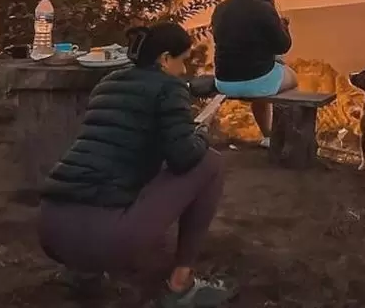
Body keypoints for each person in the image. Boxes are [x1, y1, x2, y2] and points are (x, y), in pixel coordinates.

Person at [38, 23, 230, 307]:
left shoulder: (107, 83)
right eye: (183, 61)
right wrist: (200, 135)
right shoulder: (169, 87)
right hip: (107, 240)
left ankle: (82, 273)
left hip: (50, 229)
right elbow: (183, 157)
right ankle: (180, 285)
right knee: (211, 163)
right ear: (165, 59)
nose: (185, 71)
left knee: (115, 168)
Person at [211, 0, 298, 145]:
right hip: (256, 81)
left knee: (265, 75)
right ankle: (282, 136)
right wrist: (284, 27)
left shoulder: (220, 9)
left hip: (224, 81)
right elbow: (282, 46)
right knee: (292, 79)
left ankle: (267, 135)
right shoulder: (265, 9)